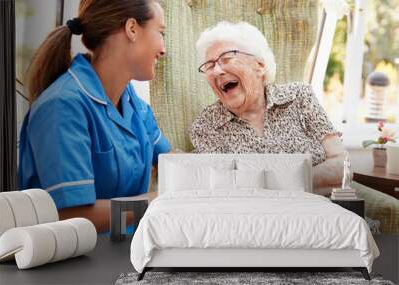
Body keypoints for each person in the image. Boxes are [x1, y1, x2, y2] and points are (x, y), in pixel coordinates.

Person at [18, 0, 171, 231]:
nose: (163, 48)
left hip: (125, 252)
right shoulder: (62, 106)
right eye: (160, 32)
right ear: (132, 29)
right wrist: (156, 203)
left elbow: (171, 160)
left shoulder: (132, 104)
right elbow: (72, 215)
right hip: (77, 262)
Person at [190, 21, 346, 195]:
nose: (217, 71)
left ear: (260, 65)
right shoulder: (206, 126)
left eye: (226, 58)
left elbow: (342, 166)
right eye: (210, 66)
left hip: (324, 214)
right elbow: (227, 192)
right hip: (257, 219)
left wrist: (271, 186)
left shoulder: (300, 96)